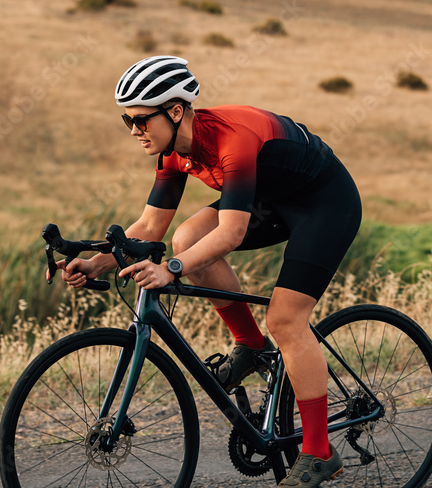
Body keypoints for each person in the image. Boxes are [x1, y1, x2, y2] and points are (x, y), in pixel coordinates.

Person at [57, 55, 362, 486]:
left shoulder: (231, 140)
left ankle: (318, 453)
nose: (133, 131)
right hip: (271, 199)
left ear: (175, 111)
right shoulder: (172, 153)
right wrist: (95, 262)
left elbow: (233, 232)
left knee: (286, 320)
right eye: (127, 121)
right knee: (185, 237)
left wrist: (172, 270)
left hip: (324, 204)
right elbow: (148, 228)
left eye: (141, 121)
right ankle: (251, 347)